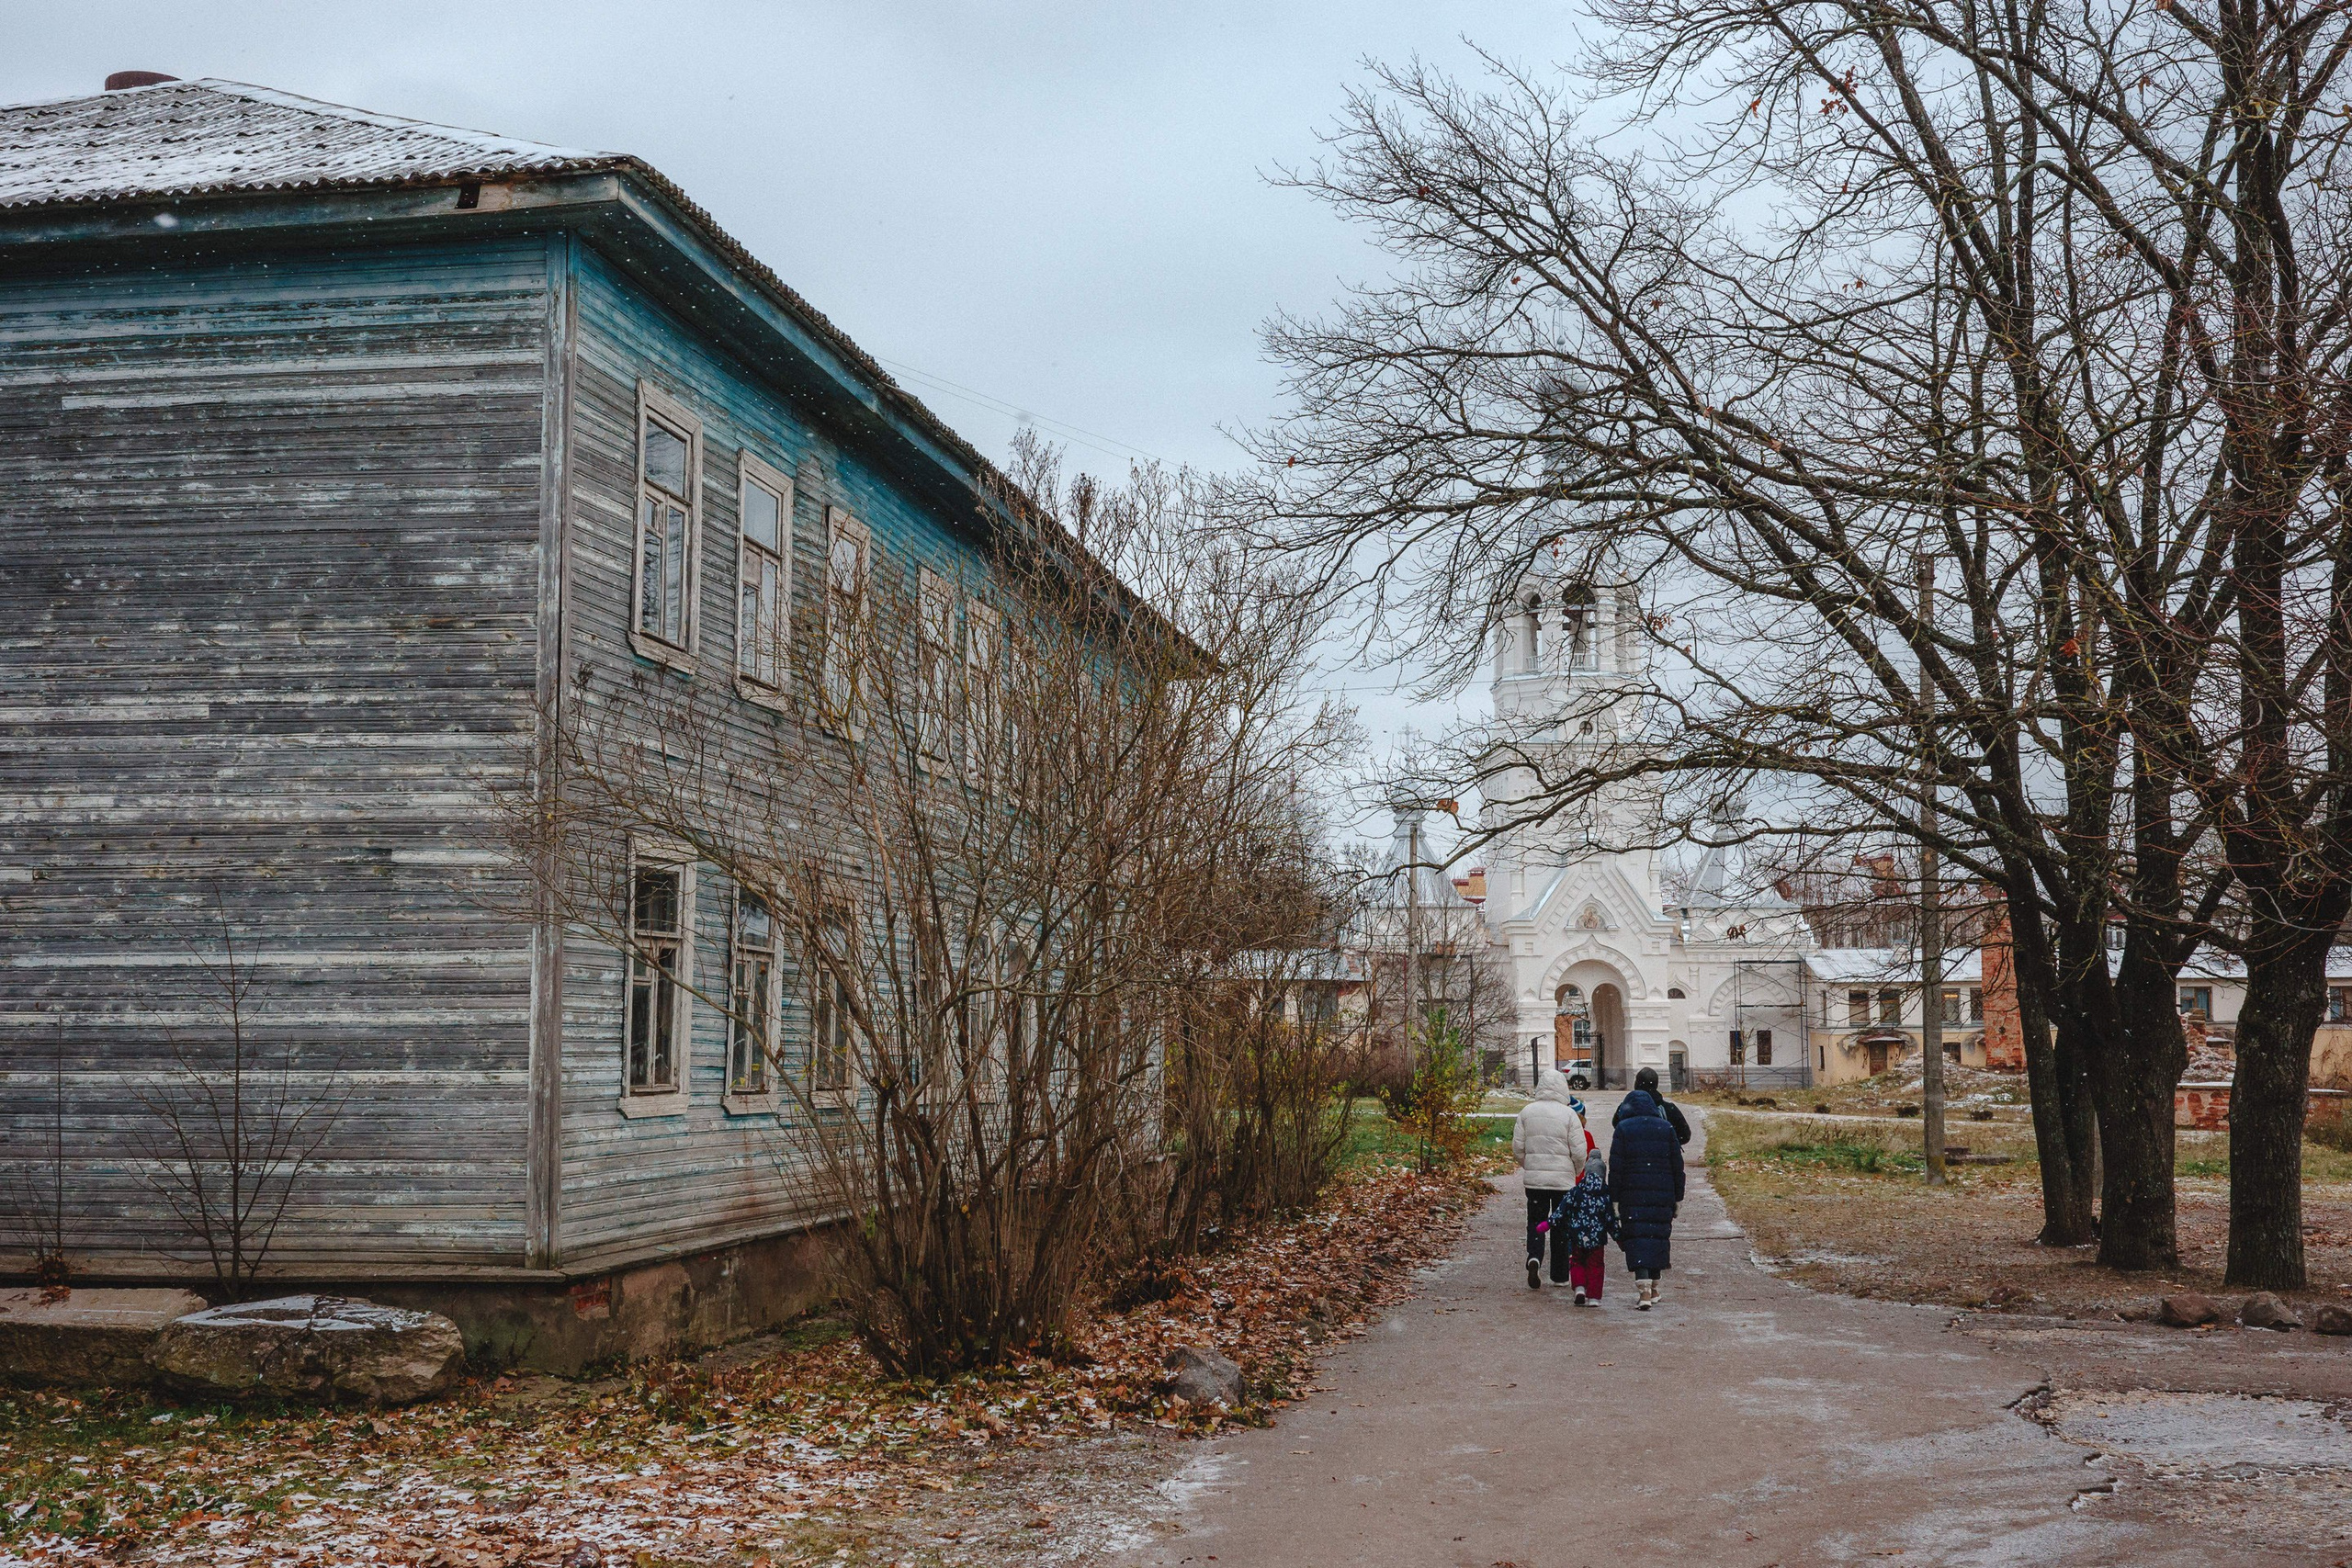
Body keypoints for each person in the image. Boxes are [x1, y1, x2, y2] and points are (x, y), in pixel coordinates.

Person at [1608, 1085, 1686, 1310]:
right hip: (1663, 1192)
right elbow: (1677, 1166)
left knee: (1637, 1236)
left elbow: (1617, 1167)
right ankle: (1654, 1287)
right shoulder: (1666, 1128)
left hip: (1632, 1194)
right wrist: (1678, 1197)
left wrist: (1614, 1198)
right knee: (1657, 1235)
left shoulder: (1623, 1129)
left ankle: (1643, 1290)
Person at [1511, 1070, 1587, 1290]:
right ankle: (1560, 1275)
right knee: (1561, 1225)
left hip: (1535, 1182)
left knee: (1536, 1221)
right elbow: (1579, 1151)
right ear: (1563, 1089)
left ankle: (1534, 1257)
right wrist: (1575, 1171)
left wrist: (1529, 1166)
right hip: (1563, 1182)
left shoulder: (1527, 1112)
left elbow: (1517, 1148)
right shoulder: (1569, 1115)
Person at [1538, 1146, 1616, 1306]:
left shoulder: (1576, 1191)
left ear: (1586, 1173)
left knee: (1577, 1262)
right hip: (1597, 1238)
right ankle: (1594, 1297)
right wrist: (1620, 1237)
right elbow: (1610, 1219)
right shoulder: (1605, 1194)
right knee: (1596, 1266)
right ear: (1603, 1175)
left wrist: (1548, 1224)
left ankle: (1580, 1288)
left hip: (1577, 1236)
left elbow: (1562, 1210)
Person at [1611, 1066, 1691, 1145]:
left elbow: (1617, 1126)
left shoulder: (1625, 1108)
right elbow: (1685, 1135)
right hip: (1662, 1156)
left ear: (1636, 1085)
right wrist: (1668, 1144)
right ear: (1656, 1085)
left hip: (1632, 1155)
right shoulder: (1669, 1109)